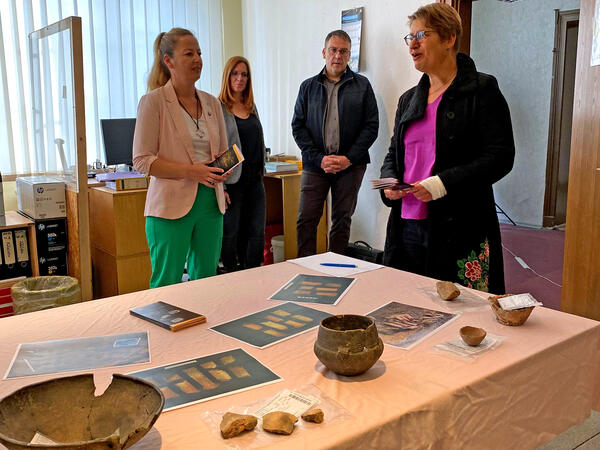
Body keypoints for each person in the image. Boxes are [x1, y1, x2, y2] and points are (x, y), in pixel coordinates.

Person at [380, 3, 515, 293]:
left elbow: (500, 157)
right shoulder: (408, 99)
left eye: (421, 35)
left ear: (449, 38)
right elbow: (394, 153)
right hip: (407, 224)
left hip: (459, 225)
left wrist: (442, 184)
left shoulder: (482, 89)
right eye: (409, 37)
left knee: (461, 313)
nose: (412, 45)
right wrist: (390, 181)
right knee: (408, 311)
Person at [133, 28, 229, 288]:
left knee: (206, 281)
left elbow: (217, 153)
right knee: (167, 283)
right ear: (168, 61)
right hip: (169, 206)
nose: (197, 59)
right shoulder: (153, 102)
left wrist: (221, 173)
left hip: (211, 202)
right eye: (189, 53)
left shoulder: (212, 103)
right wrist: (192, 171)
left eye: (199, 53)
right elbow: (142, 160)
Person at [292, 29, 379, 257]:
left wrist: (347, 158)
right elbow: (298, 127)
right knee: (306, 219)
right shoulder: (308, 87)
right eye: (333, 50)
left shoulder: (362, 86)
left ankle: (335, 269)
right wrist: (319, 159)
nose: (337, 56)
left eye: (343, 51)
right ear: (324, 52)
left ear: (349, 55)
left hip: (350, 165)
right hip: (315, 165)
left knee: (342, 219)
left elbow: (371, 127)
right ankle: (307, 269)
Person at [218, 56, 266, 272]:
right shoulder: (219, 108)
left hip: (255, 181)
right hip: (233, 182)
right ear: (227, 77)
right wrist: (223, 186)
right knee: (231, 233)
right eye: (235, 74)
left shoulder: (250, 106)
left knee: (256, 232)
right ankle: (230, 276)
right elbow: (217, 149)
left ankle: (253, 274)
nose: (240, 78)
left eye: (244, 74)